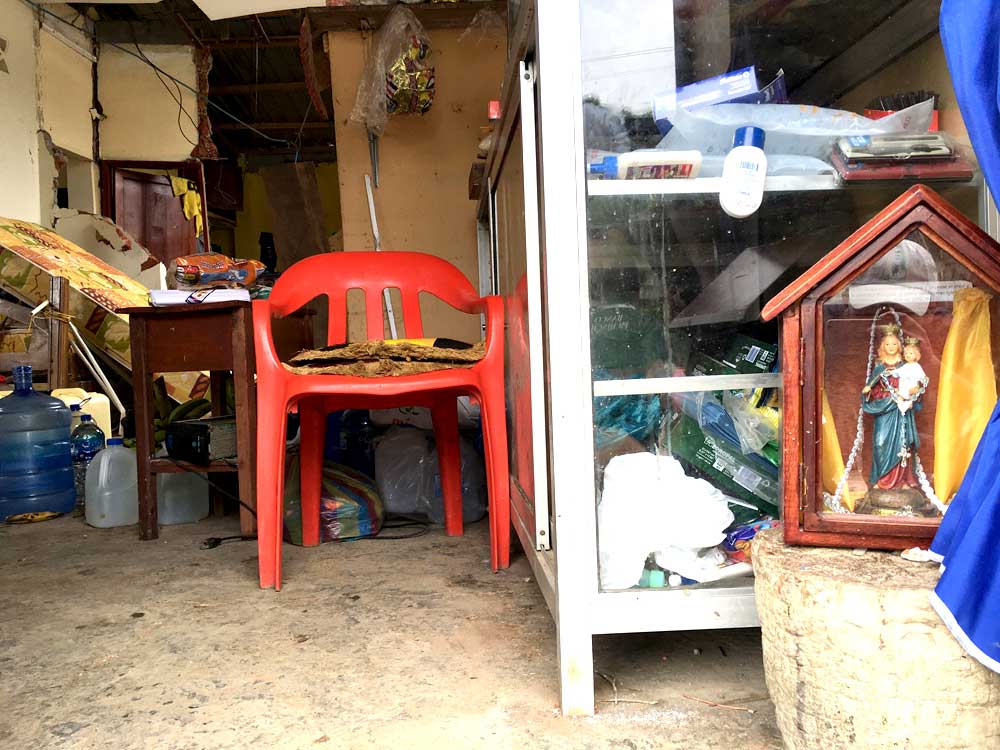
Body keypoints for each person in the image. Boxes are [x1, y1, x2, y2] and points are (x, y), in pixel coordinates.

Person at [861, 325, 922, 491]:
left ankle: (902, 480)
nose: (891, 347)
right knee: (880, 443)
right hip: (884, 409)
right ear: (882, 347)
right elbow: (871, 389)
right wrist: (869, 391)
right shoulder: (879, 367)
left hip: (901, 410)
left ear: (899, 346)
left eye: (894, 344)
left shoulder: (906, 366)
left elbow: (917, 385)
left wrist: (914, 391)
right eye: (887, 344)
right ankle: (881, 480)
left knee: (902, 443)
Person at [893, 338, 929, 414]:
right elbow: (898, 371)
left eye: (911, 353)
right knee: (900, 393)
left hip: (912, 385)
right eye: (906, 353)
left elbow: (922, 376)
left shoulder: (917, 366)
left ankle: (908, 404)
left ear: (916, 355)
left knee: (910, 393)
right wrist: (891, 372)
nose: (908, 355)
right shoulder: (905, 366)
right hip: (903, 384)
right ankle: (903, 403)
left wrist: (923, 380)